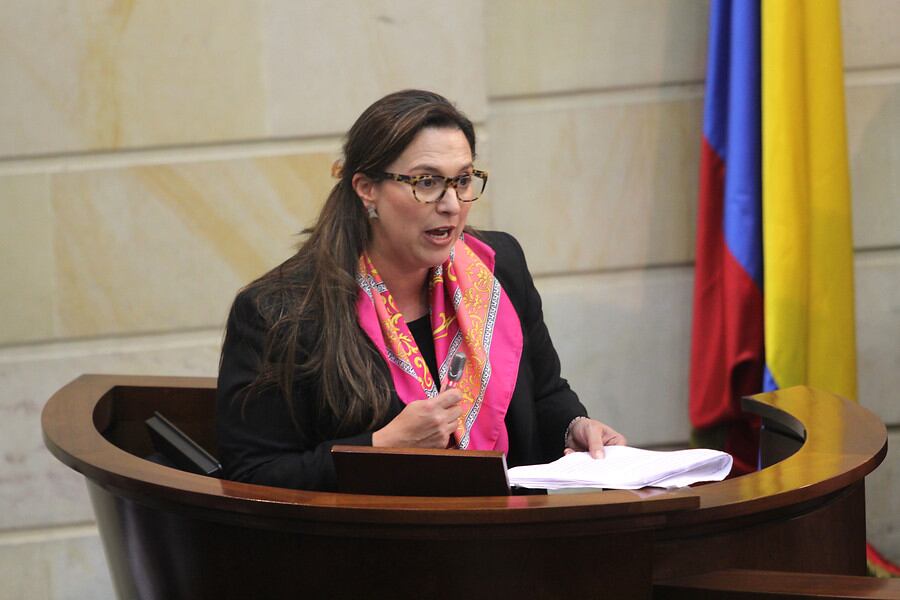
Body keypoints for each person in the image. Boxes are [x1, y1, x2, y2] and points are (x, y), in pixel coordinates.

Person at [216, 89, 625, 491]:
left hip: (507, 534)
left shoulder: (498, 266)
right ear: (366, 188)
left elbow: (544, 392)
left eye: (463, 180)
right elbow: (253, 475)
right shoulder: (280, 310)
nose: (451, 204)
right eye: (427, 182)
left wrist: (573, 427)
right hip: (370, 548)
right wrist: (382, 447)